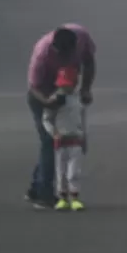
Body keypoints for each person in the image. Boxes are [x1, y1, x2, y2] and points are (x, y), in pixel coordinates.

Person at [26, 24, 96, 209]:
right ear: (55, 48)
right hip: (43, 94)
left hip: (68, 92)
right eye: (62, 55)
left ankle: (37, 187)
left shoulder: (81, 36)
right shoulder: (42, 54)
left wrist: (86, 89)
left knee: (59, 143)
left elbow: (89, 62)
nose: (66, 59)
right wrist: (48, 102)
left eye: (69, 54)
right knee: (51, 141)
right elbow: (34, 88)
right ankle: (44, 195)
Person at [42, 65, 88, 211]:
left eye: (68, 85)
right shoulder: (55, 99)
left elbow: (83, 120)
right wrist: (53, 132)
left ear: (74, 84)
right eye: (63, 85)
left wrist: (85, 139)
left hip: (76, 140)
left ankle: (74, 198)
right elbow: (46, 119)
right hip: (60, 141)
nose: (65, 88)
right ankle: (62, 198)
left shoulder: (78, 100)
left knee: (74, 172)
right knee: (60, 171)